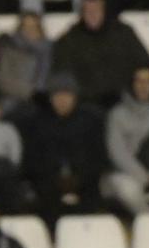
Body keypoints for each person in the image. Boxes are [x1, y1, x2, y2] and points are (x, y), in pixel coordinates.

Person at [20, 72, 106, 226]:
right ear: (51, 98)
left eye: (67, 95)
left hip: (84, 178)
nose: (62, 100)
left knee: (91, 195)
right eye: (58, 95)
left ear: (75, 97)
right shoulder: (37, 122)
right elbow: (31, 159)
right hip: (48, 179)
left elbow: (98, 156)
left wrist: (80, 176)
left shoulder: (90, 121)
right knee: (45, 196)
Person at [50, 0, 149, 111]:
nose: (92, 14)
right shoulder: (69, 40)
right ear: (81, 13)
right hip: (85, 106)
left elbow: (145, 64)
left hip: (125, 102)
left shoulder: (124, 33)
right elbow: (61, 74)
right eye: (88, 11)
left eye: (97, 10)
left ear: (105, 11)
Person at [104, 66, 149, 215]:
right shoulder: (117, 114)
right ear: (132, 84)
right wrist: (142, 176)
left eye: (148, 81)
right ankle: (147, 222)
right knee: (128, 191)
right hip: (128, 173)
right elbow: (117, 151)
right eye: (139, 81)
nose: (144, 86)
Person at [0, 11, 51, 117]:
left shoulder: (49, 50)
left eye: (34, 26)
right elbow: (1, 80)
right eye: (26, 26)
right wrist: (32, 93)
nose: (30, 30)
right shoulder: (10, 49)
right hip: (13, 105)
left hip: (45, 106)